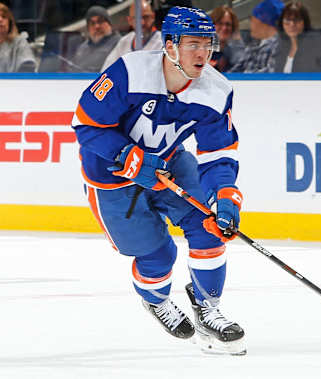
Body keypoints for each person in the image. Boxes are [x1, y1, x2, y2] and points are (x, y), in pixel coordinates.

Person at [71, 6, 246, 355]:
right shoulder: (129, 72)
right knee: (157, 254)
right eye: (193, 44)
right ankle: (155, 300)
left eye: (207, 44)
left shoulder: (215, 89)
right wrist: (127, 156)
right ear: (169, 46)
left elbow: (219, 154)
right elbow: (85, 124)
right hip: (110, 175)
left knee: (209, 226)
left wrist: (226, 195)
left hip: (168, 164)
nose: (203, 53)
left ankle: (208, 306)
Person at [101, 0, 163, 71]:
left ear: (153, 17)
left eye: (146, 17)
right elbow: (107, 70)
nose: (142, 22)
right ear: (129, 20)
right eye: (137, 18)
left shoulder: (163, 42)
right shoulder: (124, 42)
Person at [228, 0, 284, 73]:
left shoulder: (279, 46)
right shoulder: (253, 46)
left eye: (252, 19)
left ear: (263, 21)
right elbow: (234, 72)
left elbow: (270, 75)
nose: (250, 23)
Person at [274, 1, 321, 73]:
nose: (292, 24)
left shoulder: (316, 48)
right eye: (287, 20)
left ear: (305, 22)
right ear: (282, 22)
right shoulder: (276, 46)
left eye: (297, 20)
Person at [69, 6, 121, 73]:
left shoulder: (120, 44)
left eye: (100, 21)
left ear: (109, 24)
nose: (97, 26)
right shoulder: (83, 48)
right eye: (92, 23)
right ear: (88, 28)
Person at [0, 3, 36, 72]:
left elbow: (28, 69)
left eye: (4, 17)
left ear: (9, 23)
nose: (0, 19)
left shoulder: (19, 42)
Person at [209, 5, 243, 72]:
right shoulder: (203, 52)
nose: (224, 28)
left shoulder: (238, 54)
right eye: (220, 23)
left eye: (228, 24)